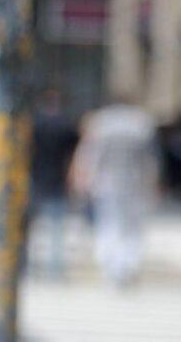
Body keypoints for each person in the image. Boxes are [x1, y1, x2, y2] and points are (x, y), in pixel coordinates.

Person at [70, 99, 159, 287]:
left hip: (108, 184)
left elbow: (89, 157)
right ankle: (125, 266)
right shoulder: (140, 125)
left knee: (110, 225)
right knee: (130, 228)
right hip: (133, 184)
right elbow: (150, 160)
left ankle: (113, 267)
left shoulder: (102, 124)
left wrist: (83, 181)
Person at [29, 89, 78, 278]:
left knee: (32, 228)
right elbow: (74, 153)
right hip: (58, 179)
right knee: (56, 228)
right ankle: (55, 269)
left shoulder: (35, 125)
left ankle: (30, 267)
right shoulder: (66, 126)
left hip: (36, 178)